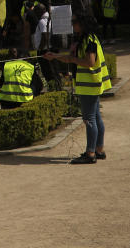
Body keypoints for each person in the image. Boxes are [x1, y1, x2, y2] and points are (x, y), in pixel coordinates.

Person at [43, 15, 108, 164]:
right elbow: (72, 57)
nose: (72, 25)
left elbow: (89, 62)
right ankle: (98, 150)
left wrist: (72, 59)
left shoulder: (89, 40)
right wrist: (55, 57)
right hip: (91, 84)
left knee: (89, 119)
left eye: (75, 23)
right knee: (96, 117)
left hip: (89, 85)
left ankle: (90, 153)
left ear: (82, 24)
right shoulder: (87, 39)